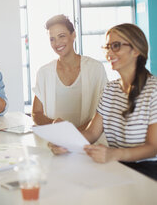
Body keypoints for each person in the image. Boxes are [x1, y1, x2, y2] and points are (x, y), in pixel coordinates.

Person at [50, 23, 157, 181]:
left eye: (116, 46)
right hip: (117, 166)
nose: (109, 53)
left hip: (148, 171)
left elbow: (153, 148)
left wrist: (115, 154)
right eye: (107, 47)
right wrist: (67, 144)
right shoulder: (110, 89)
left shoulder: (153, 90)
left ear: (136, 50)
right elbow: (92, 132)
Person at [32, 15, 108, 130]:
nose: (57, 43)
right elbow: (36, 113)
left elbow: (105, 112)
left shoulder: (96, 68)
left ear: (73, 35)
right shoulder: (44, 72)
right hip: (56, 141)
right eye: (52, 39)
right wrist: (54, 124)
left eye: (61, 36)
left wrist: (76, 133)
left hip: (90, 141)